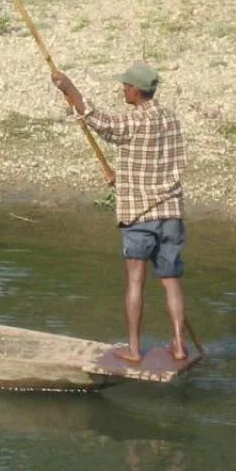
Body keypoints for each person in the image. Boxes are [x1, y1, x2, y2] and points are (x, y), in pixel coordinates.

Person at [53, 61, 190, 363]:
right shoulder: (171, 119)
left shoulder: (133, 123)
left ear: (137, 91)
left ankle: (134, 348)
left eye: (126, 86)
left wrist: (69, 88)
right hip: (171, 213)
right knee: (171, 280)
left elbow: (96, 119)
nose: (123, 90)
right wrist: (121, 177)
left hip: (140, 216)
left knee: (135, 281)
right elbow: (154, 160)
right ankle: (180, 345)